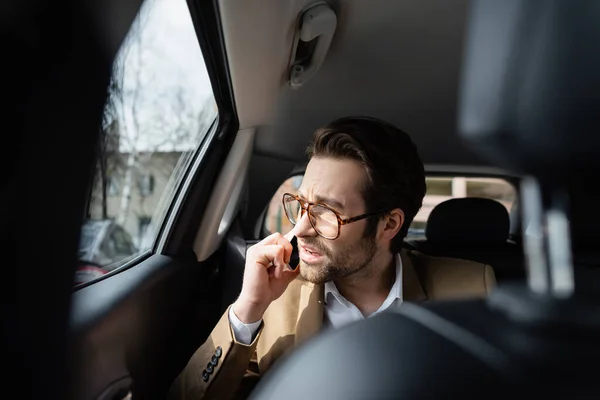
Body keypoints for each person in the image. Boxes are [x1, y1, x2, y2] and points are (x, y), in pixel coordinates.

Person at [168, 116, 497, 400]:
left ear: (389, 224)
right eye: (301, 204)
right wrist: (247, 310)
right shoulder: (275, 298)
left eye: (325, 212)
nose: (299, 230)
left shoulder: (470, 289)